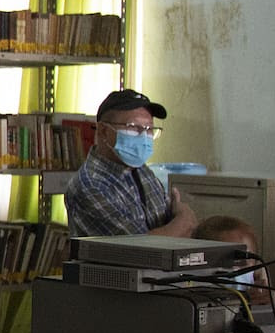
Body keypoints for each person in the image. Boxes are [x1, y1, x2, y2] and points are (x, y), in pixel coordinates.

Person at [62, 88, 198, 239]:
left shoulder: (142, 171)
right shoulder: (90, 185)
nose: (144, 137)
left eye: (149, 129)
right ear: (103, 131)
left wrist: (178, 224)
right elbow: (140, 247)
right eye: (133, 127)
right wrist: (184, 217)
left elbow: (175, 229)